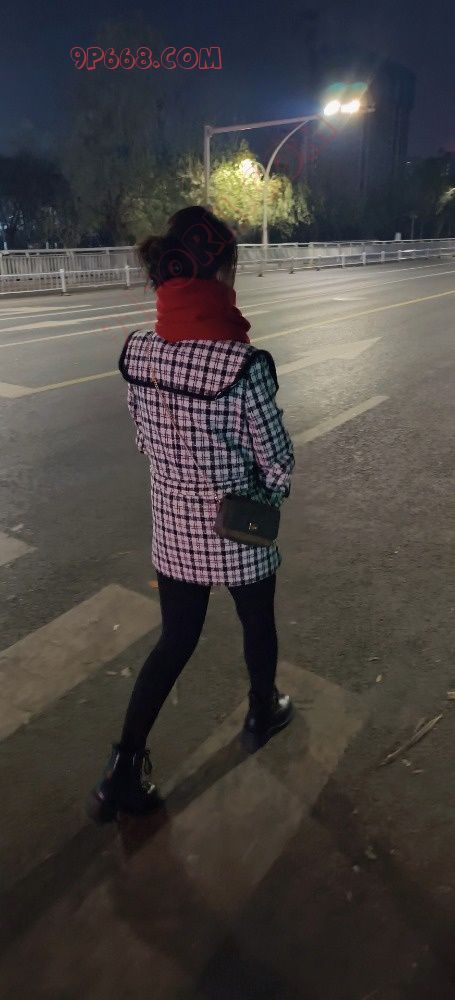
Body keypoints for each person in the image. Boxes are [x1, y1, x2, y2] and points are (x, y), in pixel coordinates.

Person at [87, 206, 295, 824]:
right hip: (240, 524)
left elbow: (144, 440)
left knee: (176, 639)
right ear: (220, 273)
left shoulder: (140, 354)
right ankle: (262, 709)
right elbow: (278, 464)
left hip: (172, 526)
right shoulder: (243, 366)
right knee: (257, 620)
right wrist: (260, 495)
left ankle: (123, 768)